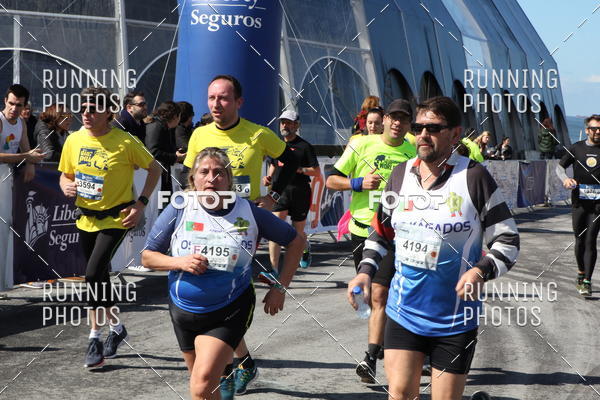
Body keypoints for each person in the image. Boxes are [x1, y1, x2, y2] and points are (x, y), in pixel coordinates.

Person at [348, 96, 519, 399]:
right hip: (403, 312)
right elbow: (381, 234)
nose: (423, 135)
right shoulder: (399, 175)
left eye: (434, 128)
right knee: (400, 393)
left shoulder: (474, 177)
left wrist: (480, 271)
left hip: (455, 319)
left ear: (455, 134)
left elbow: (507, 240)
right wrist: (365, 272)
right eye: (418, 127)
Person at [141, 148, 305, 400]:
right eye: (204, 172)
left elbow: (296, 241)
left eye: (219, 173)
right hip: (182, 311)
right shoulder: (180, 207)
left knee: (201, 386)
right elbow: (148, 256)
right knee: (205, 391)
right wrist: (179, 262)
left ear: (229, 180)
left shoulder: (248, 211)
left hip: (228, 310)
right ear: (193, 179)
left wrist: (280, 287)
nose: (211, 178)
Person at [182, 74, 299, 394]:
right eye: (211, 98)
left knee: (227, 288)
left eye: (223, 98)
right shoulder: (199, 134)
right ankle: (241, 362)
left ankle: (226, 371)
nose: (216, 104)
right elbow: (189, 176)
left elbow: (290, 159)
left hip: (243, 225)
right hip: (207, 224)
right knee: (218, 290)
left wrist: (273, 195)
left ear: (238, 102)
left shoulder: (258, 134)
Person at [58, 86, 161, 368]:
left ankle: (94, 338)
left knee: (92, 274)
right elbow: (65, 175)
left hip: (117, 218)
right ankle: (117, 328)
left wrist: (140, 204)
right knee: (100, 277)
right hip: (85, 218)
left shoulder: (125, 142)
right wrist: (66, 185)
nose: (86, 113)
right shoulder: (74, 140)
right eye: (83, 108)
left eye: (93, 109)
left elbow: (155, 169)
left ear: (109, 113)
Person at [326, 99, 416, 383]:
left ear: (409, 123)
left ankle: (370, 357)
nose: (398, 123)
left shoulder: (414, 150)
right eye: (394, 117)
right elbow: (331, 180)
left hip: (396, 235)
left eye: (404, 119)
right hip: (363, 231)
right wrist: (358, 183)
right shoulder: (361, 144)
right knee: (370, 295)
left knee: (380, 294)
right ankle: (387, 344)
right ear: (385, 119)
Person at [261, 110, 320, 278]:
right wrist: (269, 177)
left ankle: (305, 247)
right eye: (283, 122)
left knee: (297, 232)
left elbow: (316, 172)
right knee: (274, 229)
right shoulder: (277, 145)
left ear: (296, 125)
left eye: (288, 122)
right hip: (279, 192)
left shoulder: (305, 146)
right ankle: (274, 270)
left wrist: (300, 169)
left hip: (300, 192)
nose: (285, 126)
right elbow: (274, 164)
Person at [0, 84, 44, 291]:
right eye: (11, 103)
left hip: (7, 180)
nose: (14, 108)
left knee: (7, 229)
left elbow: (27, 148)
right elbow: (24, 154)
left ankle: (4, 282)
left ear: (25, 106)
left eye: (19, 105)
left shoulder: (21, 123)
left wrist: (30, 163)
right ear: (5, 101)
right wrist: (27, 157)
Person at [557, 114, 600, 296]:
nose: (597, 132)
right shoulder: (577, 148)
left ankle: (587, 282)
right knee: (580, 240)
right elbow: (559, 167)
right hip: (579, 203)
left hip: (598, 205)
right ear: (587, 130)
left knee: (591, 240)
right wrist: (565, 179)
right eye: (594, 128)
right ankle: (581, 272)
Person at [145, 101, 184, 194]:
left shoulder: (165, 127)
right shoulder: (156, 126)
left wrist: (175, 153)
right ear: (175, 117)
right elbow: (153, 152)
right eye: (179, 116)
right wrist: (175, 157)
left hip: (162, 173)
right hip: (155, 175)